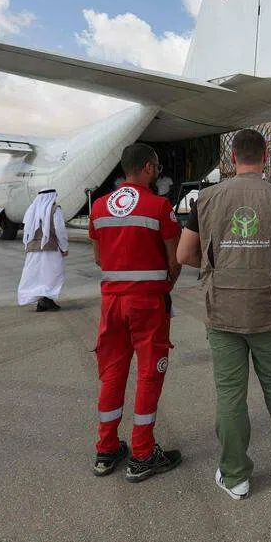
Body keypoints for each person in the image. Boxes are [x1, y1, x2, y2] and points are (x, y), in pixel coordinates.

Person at [176, 128, 271, 501]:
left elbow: (183, 255)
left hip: (222, 313)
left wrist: (214, 268)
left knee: (230, 396)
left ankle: (236, 476)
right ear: (266, 156)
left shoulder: (205, 200)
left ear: (232, 158)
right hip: (269, 312)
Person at [88, 144, 183, 482]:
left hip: (111, 304)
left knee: (112, 374)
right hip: (147, 303)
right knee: (148, 375)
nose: (157, 171)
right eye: (155, 166)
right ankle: (142, 454)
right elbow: (175, 259)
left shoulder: (98, 207)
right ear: (146, 167)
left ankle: (107, 448)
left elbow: (99, 259)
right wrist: (163, 284)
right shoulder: (160, 207)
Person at [17, 189, 68, 312]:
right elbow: (60, 230)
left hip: (32, 249)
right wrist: (64, 247)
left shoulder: (32, 209)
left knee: (37, 275)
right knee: (52, 274)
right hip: (50, 248)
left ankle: (42, 301)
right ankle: (46, 300)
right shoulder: (55, 209)